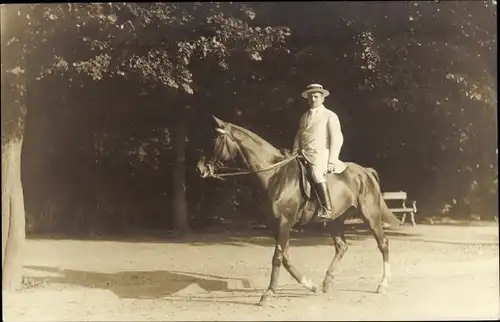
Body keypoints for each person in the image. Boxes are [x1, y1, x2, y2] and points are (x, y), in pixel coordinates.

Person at [292, 83, 346, 220]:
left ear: (322, 98)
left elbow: (337, 138)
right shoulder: (304, 116)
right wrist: (294, 152)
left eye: (316, 96)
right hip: (303, 154)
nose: (313, 100)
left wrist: (332, 159)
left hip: (320, 154)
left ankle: (327, 209)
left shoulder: (329, 115)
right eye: (310, 97)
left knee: (316, 174)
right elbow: (299, 135)